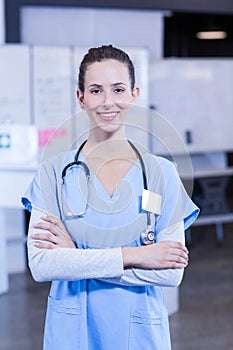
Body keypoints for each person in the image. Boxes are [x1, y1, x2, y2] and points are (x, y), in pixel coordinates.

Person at [22, 45, 199, 350]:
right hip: (72, 333)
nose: (108, 102)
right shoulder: (53, 172)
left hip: (139, 334)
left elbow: (170, 273)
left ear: (134, 94)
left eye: (118, 89)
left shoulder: (161, 173)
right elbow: (42, 265)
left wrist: (76, 255)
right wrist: (136, 256)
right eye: (95, 90)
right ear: (81, 98)